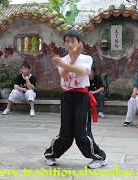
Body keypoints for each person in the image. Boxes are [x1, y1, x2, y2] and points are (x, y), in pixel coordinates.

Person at [44, 30, 107, 169]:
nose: (70, 43)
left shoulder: (86, 58)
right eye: (67, 41)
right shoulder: (64, 59)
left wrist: (68, 60)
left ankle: (99, 157)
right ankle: (51, 154)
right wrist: (71, 58)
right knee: (65, 132)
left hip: (81, 97)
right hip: (66, 97)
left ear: (79, 43)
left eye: (73, 41)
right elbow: (64, 75)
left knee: (82, 133)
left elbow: (82, 72)